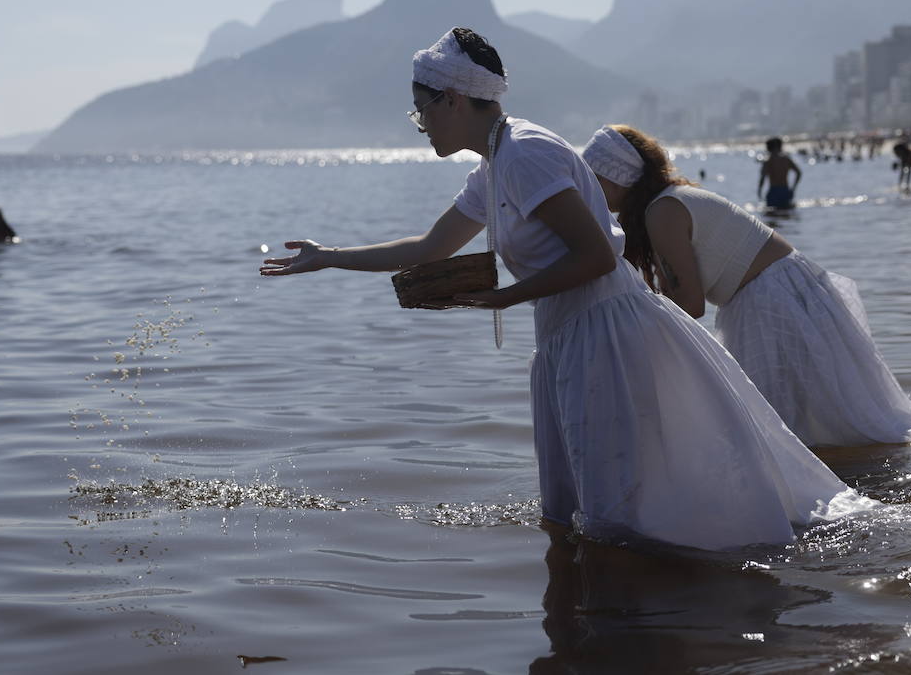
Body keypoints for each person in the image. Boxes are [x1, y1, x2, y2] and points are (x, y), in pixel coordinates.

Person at [261, 27, 868, 552]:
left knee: (621, 504)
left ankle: (637, 621)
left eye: (420, 111)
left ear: (450, 99)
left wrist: (505, 297)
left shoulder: (525, 154)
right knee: (589, 506)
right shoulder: (494, 164)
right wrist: (328, 258)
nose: (419, 125)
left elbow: (600, 255)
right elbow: (430, 249)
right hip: (567, 334)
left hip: (606, 333)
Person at [581, 125, 911, 448]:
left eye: (594, 180)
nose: (591, 190)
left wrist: (633, 333)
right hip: (780, 288)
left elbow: (690, 303)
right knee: (814, 425)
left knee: (781, 429)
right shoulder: (670, 199)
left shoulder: (662, 211)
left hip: (769, 300)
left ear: (616, 176)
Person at [757, 137, 800, 209]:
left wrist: (759, 191)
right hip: (785, 191)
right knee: (786, 215)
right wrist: (793, 188)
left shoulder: (768, 161)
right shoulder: (786, 159)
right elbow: (799, 173)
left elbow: (763, 178)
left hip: (773, 192)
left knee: (771, 216)